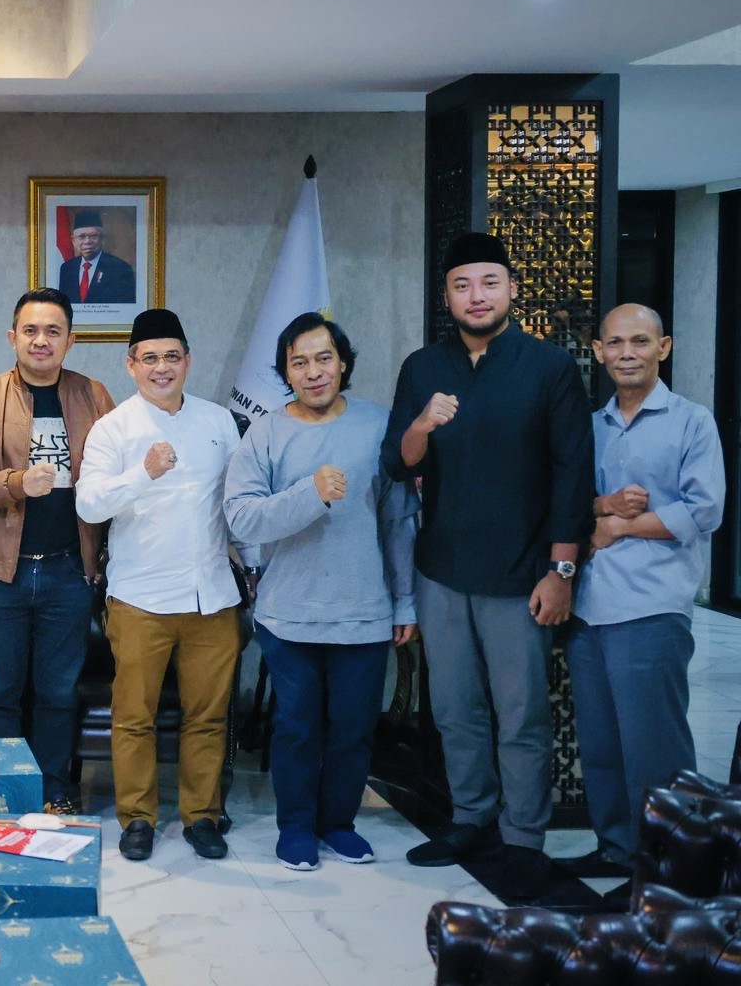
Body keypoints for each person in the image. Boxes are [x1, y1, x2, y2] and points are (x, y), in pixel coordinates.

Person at [382, 231, 594, 900]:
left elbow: (573, 475)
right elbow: (398, 462)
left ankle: (523, 838)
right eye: (463, 285)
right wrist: (422, 424)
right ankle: (471, 820)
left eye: (489, 283)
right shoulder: (423, 367)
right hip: (442, 569)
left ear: (511, 289)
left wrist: (561, 573)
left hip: (522, 573)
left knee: (522, 714)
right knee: (455, 710)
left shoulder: (549, 367)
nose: (476, 296)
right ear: (447, 296)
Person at [223, 312, 418, 871]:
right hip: (289, 613)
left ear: (344, 363)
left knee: (353, 730)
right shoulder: (265, 432)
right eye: (299, 362)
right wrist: (309, 494)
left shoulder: (379, 425)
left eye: (324, 358)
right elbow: (241, 518)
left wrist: (405, 601)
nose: (313, 372)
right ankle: (295, 827)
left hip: (364, 610)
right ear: (286, 372)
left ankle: (339, 824)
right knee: (297, 728)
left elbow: (399, 521)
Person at [555, 304, 725, 889]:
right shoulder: (589, 425)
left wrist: (621, 526)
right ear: (598, 351)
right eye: (616, 342)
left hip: (651, 606)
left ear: (664, 347)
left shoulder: (691, 421)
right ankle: (616, 850)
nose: (627, 353)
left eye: (640, 341)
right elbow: (568, 500)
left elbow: (705, 509)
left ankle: (671, 867)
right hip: (589, 606)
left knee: (655, 748)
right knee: (601, 744)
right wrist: (601, 509)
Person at [75, 308, 245, 862]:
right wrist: (142, 472)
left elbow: (237, 503)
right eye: (150, 358)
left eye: (172, 356)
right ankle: (138, 818)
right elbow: (89, 504)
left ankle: (202, 815)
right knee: (134, 718)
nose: (162, 367)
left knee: (208, 717)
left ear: (188, 361)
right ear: (131, 365)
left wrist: (256, 566)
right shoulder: (113, 428)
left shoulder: (219, 422)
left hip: (211, 596)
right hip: (140, 599)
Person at [0, 287, 114, 814]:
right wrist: (18, 483)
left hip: (70, 571)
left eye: (52, 331)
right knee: (0, 690)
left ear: (70, 340)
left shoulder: (94, 396)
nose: (40, 340)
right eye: (30, 330)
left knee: (58, 691)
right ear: (12, 337)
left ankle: (53, 790)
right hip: (3, 573)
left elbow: (115, 477)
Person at [56, 210, 135, 305]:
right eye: (81, 236)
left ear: (102, 239)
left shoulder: (121, 269)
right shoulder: (66, 268)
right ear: (73, 240)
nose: (87, 241)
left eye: (93, 236)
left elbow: (125, 308)